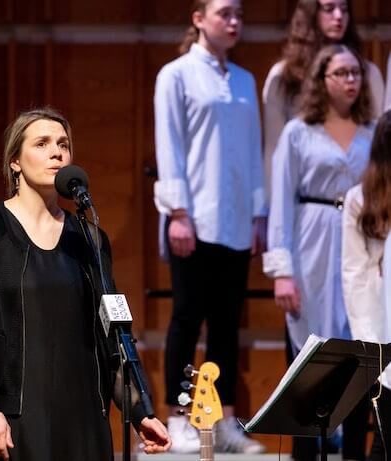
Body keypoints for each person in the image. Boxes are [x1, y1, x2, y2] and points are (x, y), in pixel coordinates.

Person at [0, 107, 171, 461]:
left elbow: (113, 333)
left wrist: (140, 410)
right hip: (11, 419)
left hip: (83, 420)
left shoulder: (89, 237)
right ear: (15, 162)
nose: (57, 152)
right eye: (42, 143)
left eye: (63, 145)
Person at [152, 0, 267, 454]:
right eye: (225, 14)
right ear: (199, 18)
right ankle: (179, 415)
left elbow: (254, 153)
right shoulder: (176, 75)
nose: (234, 22)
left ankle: (222, 421)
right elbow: (170, 145)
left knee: (225, 325)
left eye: (239, 14)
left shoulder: (243, 80)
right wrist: (178, 213)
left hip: (236, 220)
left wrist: (258, 214)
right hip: (194, 220)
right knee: (186, 317)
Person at [263, 44, 375, 461]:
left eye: (355, 73)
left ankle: (356, 454)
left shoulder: (371, 130)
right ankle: (306, 454)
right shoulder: (299, 132)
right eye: (341, 73)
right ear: (322, 80)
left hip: (358, 247)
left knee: (361, 351)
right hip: (311, 245)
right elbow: (282, 202)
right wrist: (282, 271)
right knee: (310, 361)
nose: (350, 80)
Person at [262, 0, 385, 197]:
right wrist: (268, 207)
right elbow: (273, 151)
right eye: (329, 9)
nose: (338, 17)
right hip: (306, 202)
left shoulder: (368, 74)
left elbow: (379, 144)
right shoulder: (283, 76)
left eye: (344, 10)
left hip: (358, 200)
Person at [342, 110, 391, 461]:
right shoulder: (361, 198)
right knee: (385, 437)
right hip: (383, 330)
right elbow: (355, 276)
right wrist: (371, 349)